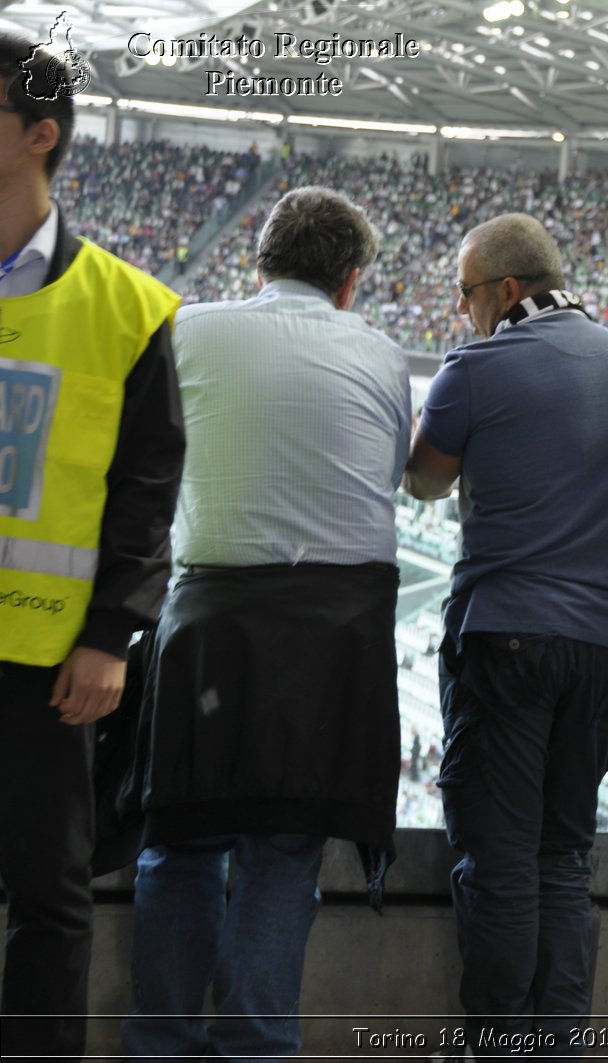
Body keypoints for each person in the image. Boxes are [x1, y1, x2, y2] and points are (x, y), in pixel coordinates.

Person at [122, 187, 409, 1060]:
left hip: (212, 622)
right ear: (351, 282)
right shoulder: (384, 352)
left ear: (259, 260)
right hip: (337, 641)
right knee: (284, 856)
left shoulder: (188, 328)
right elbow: (387, 476)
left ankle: (161, 1044)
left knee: (179, 846)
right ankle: (254, 1047)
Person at [404, 213, 608, 1051]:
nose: (464, 312)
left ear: (507, 290)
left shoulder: (478, 366)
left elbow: (422, 479)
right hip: (606, 648)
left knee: (499, 862)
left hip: (508, 637)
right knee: (563, 858)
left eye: (467, 294)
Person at [0, 33, 185, 1060]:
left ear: (39, 136)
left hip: (48, 666)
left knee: (50, 897)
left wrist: (113, 634)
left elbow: (146, 487)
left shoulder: (127, 308)